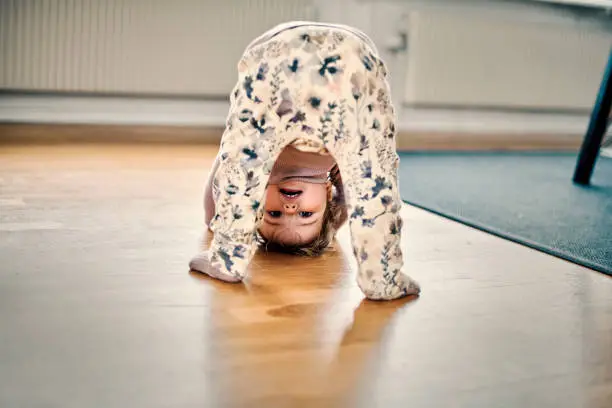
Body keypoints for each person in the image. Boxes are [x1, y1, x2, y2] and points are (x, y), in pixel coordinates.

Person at [189, 21, 420, 300]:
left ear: (257, 206)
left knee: (239, 164)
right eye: (306, 215)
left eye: (273, 215)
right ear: (327, 196)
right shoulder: (336, 168)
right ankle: (382, 276)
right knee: (374, 176)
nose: (289, 208)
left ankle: (227, 258)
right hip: (353, 66)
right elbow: (360, 200)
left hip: (277, 59)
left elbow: (226, 180)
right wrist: (334, 224)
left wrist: (213, 220)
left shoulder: (258, 168)